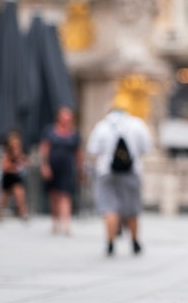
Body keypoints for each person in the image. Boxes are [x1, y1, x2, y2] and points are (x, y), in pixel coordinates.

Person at [86, 95, 152, 256]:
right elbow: (146, 148)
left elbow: (93, 150)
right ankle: (135, 241)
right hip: (131, 171)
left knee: (109, 207)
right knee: (131, 209)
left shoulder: (101, 126)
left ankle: (110, 243)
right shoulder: (137, 124)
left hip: (106, 172)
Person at [39, 106, 82, 236]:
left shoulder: (74, 133)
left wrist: (80, 168)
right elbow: (44, 148)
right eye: (64, 115)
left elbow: (78, 152)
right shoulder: (50, 131)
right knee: (54, 195)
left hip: (67, 168)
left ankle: (66, 224)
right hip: (53, 167)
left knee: (65, 195)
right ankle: (55, 221)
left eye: (69, 115)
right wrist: (45, 165)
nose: (67, 118)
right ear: (59, 117)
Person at [0, 130, 29, 221]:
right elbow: (4, 167)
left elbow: (26, 162)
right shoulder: (6, 155)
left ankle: (23, 213)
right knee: (4, 199)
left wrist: (22, 161)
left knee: (20, 195)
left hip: (16, 177)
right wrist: (14, 166)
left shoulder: (19, 154)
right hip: (7, 177)